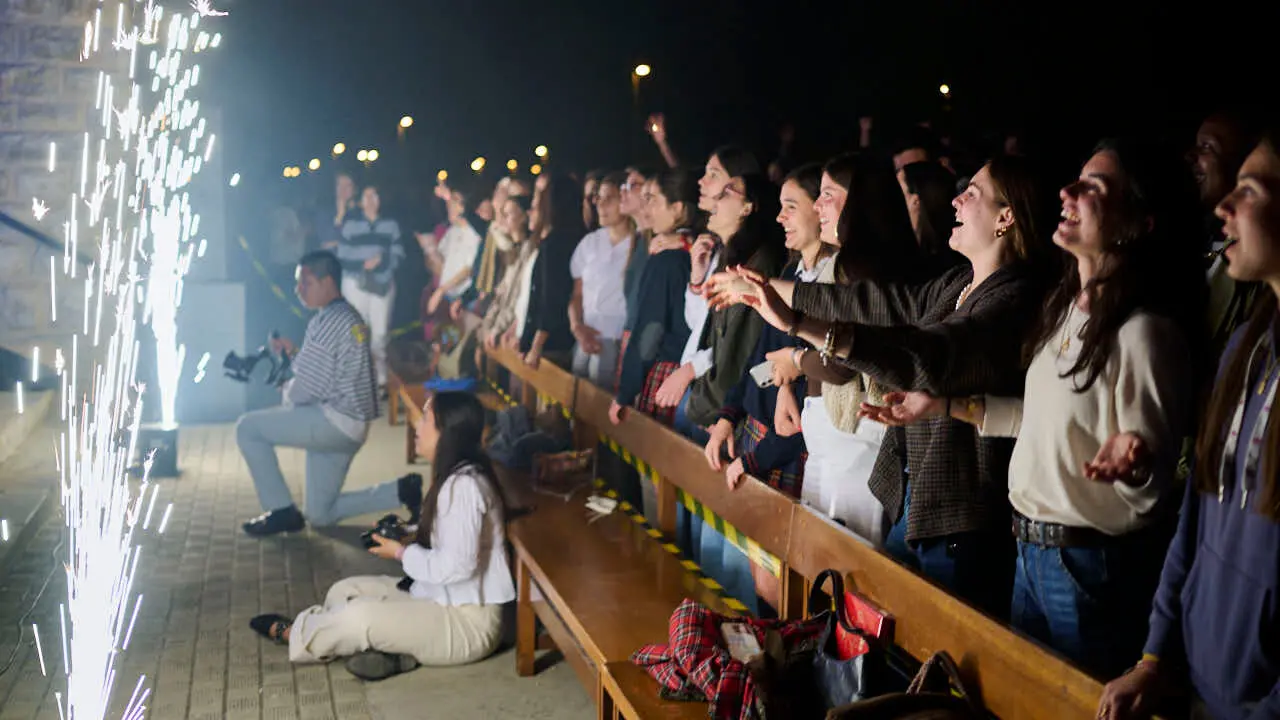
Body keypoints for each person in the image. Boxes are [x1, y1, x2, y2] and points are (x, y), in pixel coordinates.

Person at [1098, 129, 1280, 720]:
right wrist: (1154, 657)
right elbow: (1197, 518)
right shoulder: (1245, 350)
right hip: (1199, 683)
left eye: (1248, 191)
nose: (1223, 205)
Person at [249, 392, 514, 681]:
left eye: (425, 418)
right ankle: (392, 653)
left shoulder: (463, 486)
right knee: (345, 591)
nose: (416, 425)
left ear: (446, 432)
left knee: (360, 617)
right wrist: (406, 534)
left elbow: (459, 566)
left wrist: (400, 553)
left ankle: (294, 634)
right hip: (440, 599)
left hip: (468, 626)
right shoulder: (455, 477)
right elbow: (451, 537)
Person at [237, 251, 421, 536]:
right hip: (351, 426)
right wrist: (295, 354)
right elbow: (325, 371)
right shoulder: (347, 316)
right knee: (320, 515)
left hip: (332, 422)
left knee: (247, 428)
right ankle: (401, 491)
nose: (299, 290)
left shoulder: (327, 323)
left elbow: (306, 390)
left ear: (328, 282)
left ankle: (281, 510)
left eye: (306, 283)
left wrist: (285, 389)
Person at [569, 172, 635, 389]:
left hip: (616, 339)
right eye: (599, 198)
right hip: (584, 337)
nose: (601, 205)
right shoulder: (590, 242)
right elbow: (577, 294)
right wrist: (577, 325)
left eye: (610, 198)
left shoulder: (638, 246)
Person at [337, 185, 404, 389]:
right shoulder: (351, 224)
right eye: (366, 196)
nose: (371, 200)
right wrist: (363, 265)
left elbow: (399, 254)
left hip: (382, 284)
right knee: (358, 331)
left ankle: (380, 378)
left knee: (381, 332)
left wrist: (382, 262)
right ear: (360, 201)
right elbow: (341, 256)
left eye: (375, 195)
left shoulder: (390, 225)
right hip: (356, 283)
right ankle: (358, 381)